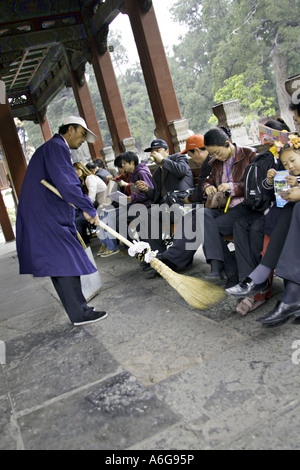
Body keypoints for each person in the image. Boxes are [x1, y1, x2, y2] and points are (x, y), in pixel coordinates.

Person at [16, 116, 107, 326]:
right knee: (66, 259)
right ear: (70, 129)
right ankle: (81, 313)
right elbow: (67, 183)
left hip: (41, 214)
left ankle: (77, 312)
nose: (83, 139)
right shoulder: (57, 147)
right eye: (82, 134)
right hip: (46, 215)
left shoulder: (51, 147)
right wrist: (87, 207)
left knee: (58, 263)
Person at [226, 134, 300, 326]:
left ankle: (261, 281)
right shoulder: (285, 173)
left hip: (283, 222)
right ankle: (270, 287)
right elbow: (272, 194)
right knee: (249, 224)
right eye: (286, 163)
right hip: (279, 220)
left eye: (292, 160)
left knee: (286, 213)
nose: (290, 166)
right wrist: (273, 182)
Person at [136, 138, 194, 253]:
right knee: (141, 214)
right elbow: (155, 196)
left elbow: (181, 171)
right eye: (153, 152)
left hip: (182, 205)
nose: (155, 154)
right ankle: (153, 253)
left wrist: (163, 160)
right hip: (166, 207)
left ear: (167, 151)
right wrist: (147, 189)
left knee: (148, 215)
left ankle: (158, 255)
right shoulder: (158, 172)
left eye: (158, 150)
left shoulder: (178, 157)